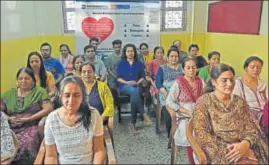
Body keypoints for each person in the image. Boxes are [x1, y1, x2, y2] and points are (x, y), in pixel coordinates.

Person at [193, 63, 268, 164]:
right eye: (224, 80)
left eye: (232, 80)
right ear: (214, 82)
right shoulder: (203, 102)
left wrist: (245, 144)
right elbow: (202, 134)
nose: (229, 84)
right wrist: (233, 151)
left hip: (243, 145)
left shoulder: (240, 102)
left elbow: (252, 128)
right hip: (217, 149)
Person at [44, 75, 105, 164]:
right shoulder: (52, 119)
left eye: (76, 95)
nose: (71, 100)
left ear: (82, 96)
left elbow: (99, 150)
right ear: (60, 96)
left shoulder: (93, 115)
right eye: (67, 95)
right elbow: (51, 156)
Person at [1, 67, 53, 164]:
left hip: (32, 124)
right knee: (6, 143)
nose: (23, 81)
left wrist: (29, 118)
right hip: (11, 126)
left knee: (27, 144)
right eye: (20, 78)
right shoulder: (8, 94)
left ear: (33, 80)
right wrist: (8, 118)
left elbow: (48, 108)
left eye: (27, 78)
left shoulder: (39, 92)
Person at [166, 57, 205, 164]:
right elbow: (169, 101)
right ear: (183, 70)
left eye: (193, 67)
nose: (191, 70)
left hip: (200, 115)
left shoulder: (200, 81)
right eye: (188, 68)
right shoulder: (178, 82)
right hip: (184, 117)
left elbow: (205, 98)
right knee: (192, 136)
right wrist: (187, 112)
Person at [116, 43, 152, 133]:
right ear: (125, 53)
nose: (130, 53)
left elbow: (142, 77)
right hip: (124, 86)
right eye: (128, 51)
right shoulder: (121, 63)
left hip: (137, 85)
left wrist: (137, 82)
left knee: (134, 97)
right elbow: (118, 78)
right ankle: (143, 114)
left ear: (134, 52)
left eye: (132, 51)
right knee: (134, 92)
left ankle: (133, 124)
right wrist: (128, 82)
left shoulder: (139, 63)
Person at [155, 47, 183, 143]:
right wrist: (164, 92)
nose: (174, 58)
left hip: (181, 95)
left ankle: (182, 134)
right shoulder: (163, 68)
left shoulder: (182, 67)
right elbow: (158, 82)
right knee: (168, 116)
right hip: (166, 94)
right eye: (171, 56)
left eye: (176, 56)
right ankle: (171, 135)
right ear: (167, 57)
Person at [233, 56, 268, 122]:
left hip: (264, 113)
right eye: (252, 67)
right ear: (246, 68)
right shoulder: (238, 83)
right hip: (248, 115)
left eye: (259, 68)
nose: (256, 70)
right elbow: (236, 104)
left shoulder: (262, 83)